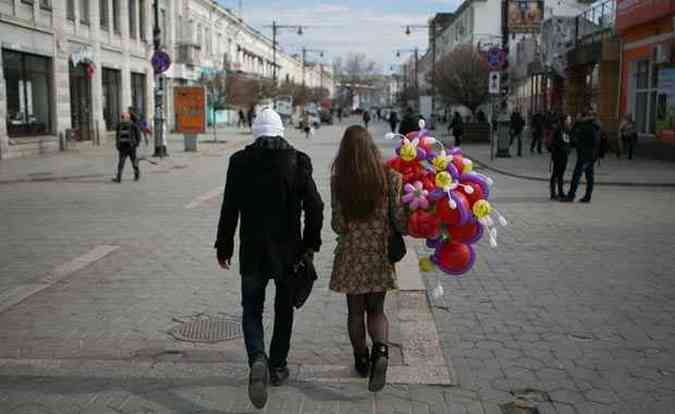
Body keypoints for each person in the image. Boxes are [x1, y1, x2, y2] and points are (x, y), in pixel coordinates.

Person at [215, 108, 324, 409]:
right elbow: (315, 206)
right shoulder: (298, 161)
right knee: (283, 309)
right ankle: (277, 366)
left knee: (251, 309)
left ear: (254, 132)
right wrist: (310, 244)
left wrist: (223, 246)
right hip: (288, 253)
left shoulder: (239, 162)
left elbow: (229, 209)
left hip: (252, 251)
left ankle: (257, 359)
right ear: (280, 131)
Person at [330, 125, 407, 392]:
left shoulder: (339, 180)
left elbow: (338, 225)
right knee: (377, 310)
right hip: (379, 254)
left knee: (355, 313)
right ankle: (382, 352)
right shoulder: (391, 177)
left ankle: (362, 360)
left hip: (352, 256)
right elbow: (400, 221)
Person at [561, 108, 600, 203]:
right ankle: (587, 196)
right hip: (591, 155)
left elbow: (575, 139)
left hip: (585, 155)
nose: (575, 117)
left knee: (577, 175)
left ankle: (571, 196)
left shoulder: (585, 126)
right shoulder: (593, 125)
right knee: (589, 176)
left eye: (577, 116)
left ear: (583, 117)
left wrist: (579, 144)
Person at [112, 112, 141, 183]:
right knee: (121, 163)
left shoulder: (133, 125)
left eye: (123, 117)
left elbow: (138, 135)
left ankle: (137, 174)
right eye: (121, 117)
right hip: (122, 148)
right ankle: (119, 178)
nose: (122, 118)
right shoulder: (119, 125)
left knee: (134, 161)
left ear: (128, 118)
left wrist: (136, 144)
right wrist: (117, 145)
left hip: (131, 147)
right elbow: (117, 135)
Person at [550, 115, 572, 200]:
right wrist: (564, 148)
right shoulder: (559, 130)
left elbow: (569, 141)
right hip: (558, 155)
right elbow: (558, 142)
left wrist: (568, 149)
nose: (570, 121)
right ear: (565, 121)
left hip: (564, 155)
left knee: (561, 175)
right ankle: (553, 193)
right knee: (555, 174)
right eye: (569, 119)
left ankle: (560, 192)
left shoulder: (567, 129)